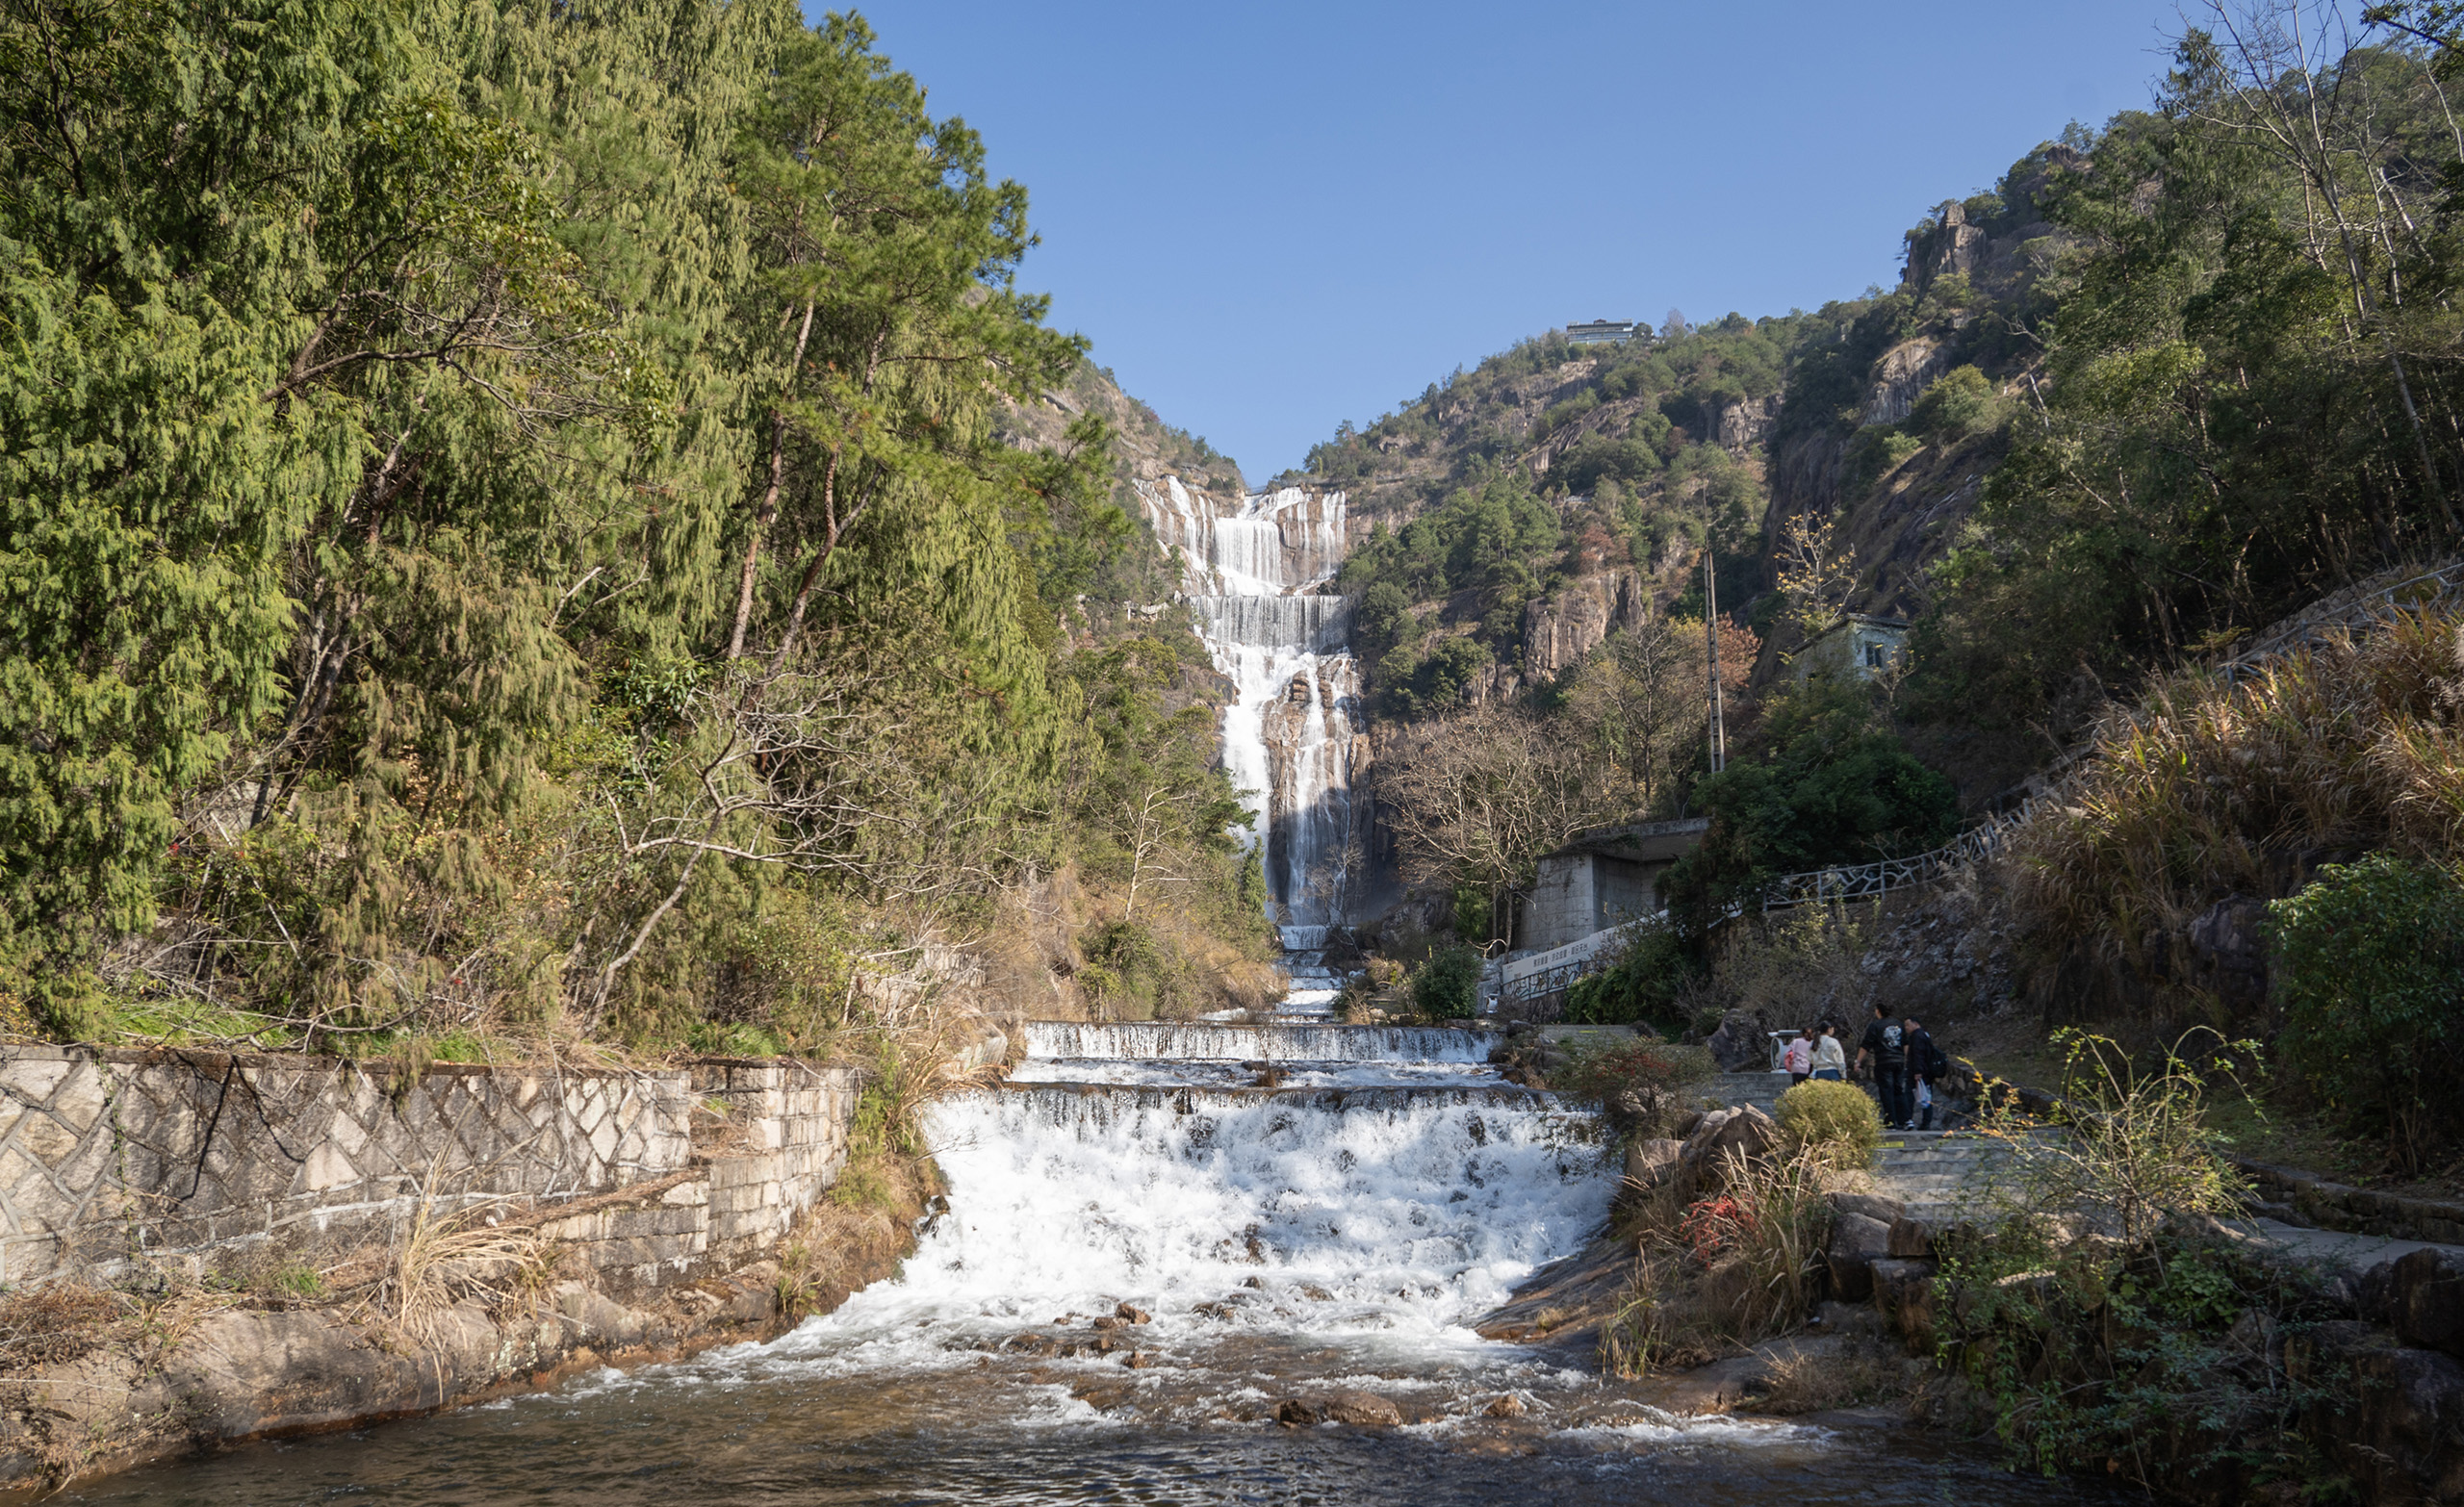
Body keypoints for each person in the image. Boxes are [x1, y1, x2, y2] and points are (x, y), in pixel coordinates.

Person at [1856, 1003, 1911, 1129]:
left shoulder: (1875, 1025)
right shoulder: (1899, 1024)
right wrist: (1906, 1059)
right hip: (1898, 1060)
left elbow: (1866, 1045)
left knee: (1886, 1090)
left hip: (1884, 1060)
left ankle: (1890, 1121)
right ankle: (1905, 1119)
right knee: (1898, 1089)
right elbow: (1905, 1043)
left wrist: (1858, 1061)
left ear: (1878, 1011)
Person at [1904, 1015, 1944, 1131]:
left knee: (1910, 1095)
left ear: (1915, 1024)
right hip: (1926, 1071)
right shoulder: (1924, 1035)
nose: (1906, 1027)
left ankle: (1909, 1120)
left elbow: (1919, 1055)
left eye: (1908, 1025)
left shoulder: (1917, 1037)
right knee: (1926, 1095)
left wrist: (1918, 1071)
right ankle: (1925, 1122)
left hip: (1918, 1072)